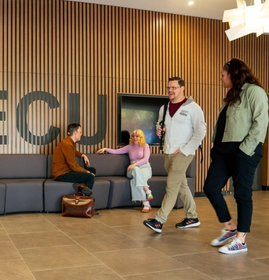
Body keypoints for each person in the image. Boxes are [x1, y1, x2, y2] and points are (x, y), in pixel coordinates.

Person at [203, 58, 268, 254]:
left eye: (223, 75)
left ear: (233, 74)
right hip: (224, 152)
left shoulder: (255, 92)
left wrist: (244, 150)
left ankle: (241, 239)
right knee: (211, 187)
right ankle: (230, 227)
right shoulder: (231, 95)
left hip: (244, 150)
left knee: (242, 193)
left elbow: (261, 122)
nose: (221, 78)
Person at [143, 76, 206, 233]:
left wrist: (185, 149)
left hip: (183, 153)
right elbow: (161, 124)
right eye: (168, 88)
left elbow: (201, 131)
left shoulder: (193, 108)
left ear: (182, 88)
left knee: (171, 186)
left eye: (174, 87)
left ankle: (159, 220)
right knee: (181, 185)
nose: (170, 90)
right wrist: (160, 130)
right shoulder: (164, 108)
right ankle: (192, 216)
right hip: (168, 151)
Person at [97, 129, 153, 213]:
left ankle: (146, 204)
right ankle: (147, 190)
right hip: (132, 170)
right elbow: (116, 151)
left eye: (137, 136)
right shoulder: (129, 147)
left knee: (136, 179)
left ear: (141, 137)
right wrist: (106, 149)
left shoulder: (145, 146)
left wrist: (134, 164)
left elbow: (145, 159)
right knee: (136, 170)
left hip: (145, 168)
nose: (135, 138)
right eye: (133, 136)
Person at [52, 123, 96, 196]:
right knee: (90, 176)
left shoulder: (68, 142)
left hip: (66, 171)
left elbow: (72, 152)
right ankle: (82, 198)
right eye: (80, 132)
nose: (81, 134)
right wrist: (87, 172)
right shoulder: (67, 144)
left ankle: (81, 188)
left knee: (92, 170)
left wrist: (82, 155)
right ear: (75, 133)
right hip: (61, 174)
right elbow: (73, 166)